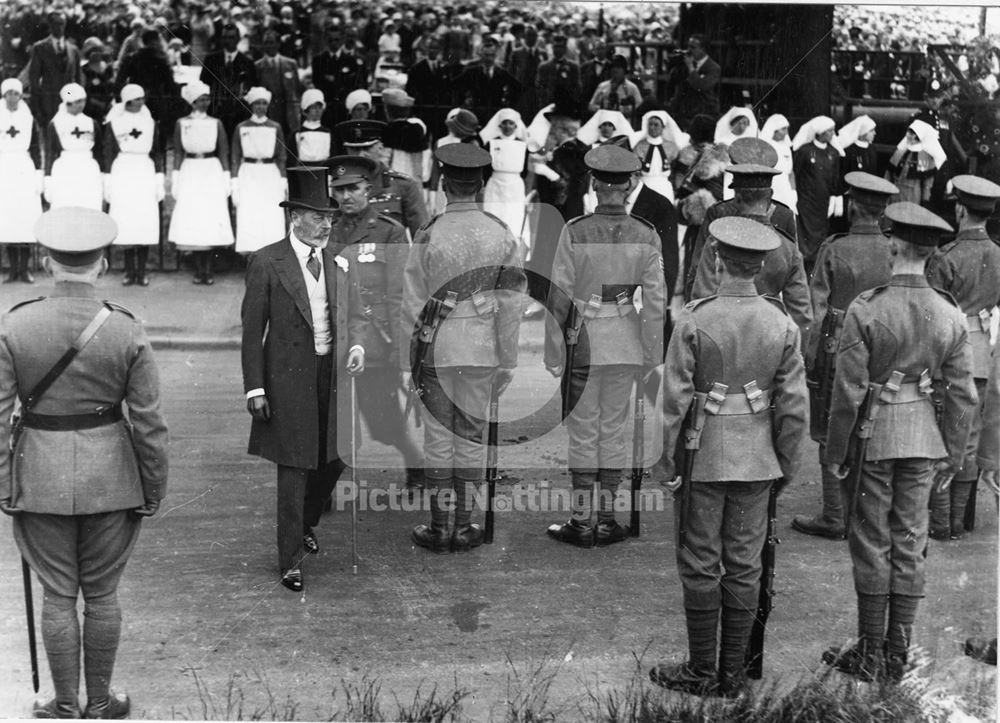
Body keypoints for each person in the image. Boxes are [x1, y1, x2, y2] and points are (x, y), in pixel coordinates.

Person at [0, 206, 168, 719]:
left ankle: (64, 704)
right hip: (113, 480)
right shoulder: (126, 329)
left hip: (40, 478)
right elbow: (150, 423)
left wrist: (4, 484)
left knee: (57, 595)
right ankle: (100, 701)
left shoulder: (16, 325)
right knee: (102, 595)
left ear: (48, 262)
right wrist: (153, 487)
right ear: (101, 264)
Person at [650, 216, 808, 698]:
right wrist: (786, 465)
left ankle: (702, 670)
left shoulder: (695, 319)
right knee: (744, 563)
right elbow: (795, 408)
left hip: (704, 455)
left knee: (700, 560)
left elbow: (673, 400)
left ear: (717, 259)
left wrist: (665, 462)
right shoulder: (781, 323)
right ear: (760, 267)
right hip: (759, 458)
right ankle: (734, 673)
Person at [821, 202, 977, 683]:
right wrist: (953, 453)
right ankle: (898, 653)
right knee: (912, 541)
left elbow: (846, 393)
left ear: (893, 246)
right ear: (931, 255)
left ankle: (870, 652)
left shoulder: (867, 308)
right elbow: (962, 395)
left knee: (871, 540)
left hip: (875, 435)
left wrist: (836, 453)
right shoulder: (949, 313)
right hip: (925, 439)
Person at [241, 165, 366, 592]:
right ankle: (290, 558)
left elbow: (353, 318)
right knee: (294, 466)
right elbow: (251, 330)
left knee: (336, 455)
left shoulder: (338, 262)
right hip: (287, 378)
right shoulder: (266, 261)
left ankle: (306, 522)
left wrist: (356, 347)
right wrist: (255, 386)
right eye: (318, 216)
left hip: (331, 374)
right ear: (294, 216)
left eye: (330, 216)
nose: (327, 223)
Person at [399, 143, 525, 553]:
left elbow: (412, 302)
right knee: (471, 438)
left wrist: (411, 359)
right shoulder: (500, 232)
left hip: (437, 349)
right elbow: (511, 302)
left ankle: (438, 528)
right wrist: (507, 358)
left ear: (442, 182)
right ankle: (464, 526)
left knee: (438, 436)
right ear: (483, 183)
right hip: (482, 350)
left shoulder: (429, 232)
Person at [544, 145, 666, 547]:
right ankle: (608, 519)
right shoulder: (646, 234)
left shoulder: (575, 230)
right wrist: (651, 354)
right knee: (613, 430)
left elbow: (559, 294)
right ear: (630, 185)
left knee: (582, 430)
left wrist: (552, 346)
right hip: (626, 344)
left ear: (595, 184)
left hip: (583, 343)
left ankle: (581, 521)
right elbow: (655, 302)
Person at [791, 172, 899, 540]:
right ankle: (868, 512)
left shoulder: (833, 248)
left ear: (852, 206)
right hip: (886, 346)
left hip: (836, 345)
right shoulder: (893, 250)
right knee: (875, 419)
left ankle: (835, 515)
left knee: (828, 425)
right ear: (883, 212)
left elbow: (816, 307)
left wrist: (810, 353)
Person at [327, 155, 423, 489]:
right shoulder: (326, 228)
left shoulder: (389, 232)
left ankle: (415, 460)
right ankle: (326, 485)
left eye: (353, 188)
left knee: (383, 418)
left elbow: (400, 296)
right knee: (335, 422)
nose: (345, 197)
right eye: (338, 190)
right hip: (334, 337)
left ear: (369, 188)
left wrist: (402, 353)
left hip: (375, 340)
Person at [924, 175, 1000, 540]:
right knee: (968, 438)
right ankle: (956, 521)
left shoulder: (947, 257)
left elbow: (934, 314)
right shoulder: (999, 255)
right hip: (984, 352)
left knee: (943, 435)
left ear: (959, 209)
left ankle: (941, 523)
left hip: (951, 352)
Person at [688, 156, 812, 342]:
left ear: (737, 199)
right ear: (770, 197)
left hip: (721, 340)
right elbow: (801, 315)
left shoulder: (717, 241)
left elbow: (700, 299)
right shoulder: (788, 248)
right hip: (770, 341)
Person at [168, 80, 233, 285]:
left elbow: (223, 151)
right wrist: (176, 178)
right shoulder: (182, 123)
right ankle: (198, 269)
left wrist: (225, 177)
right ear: (192, 101)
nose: (204, 103)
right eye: (199, 100)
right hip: (191, 170)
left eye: (206, 99)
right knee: (194, 217)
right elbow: (178, 151)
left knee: (209, 217)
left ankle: (209, 269)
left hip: (210, 171)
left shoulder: (216, 123)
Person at [103, 84, 163, 287]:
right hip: (124, 169)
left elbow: (157, 151)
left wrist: (159, 181)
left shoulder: (150, 122)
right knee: (127, 220)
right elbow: (108, 152)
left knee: (143, 220)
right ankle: (129, 270)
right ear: (127, 101)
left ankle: (142, 270)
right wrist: (108, 182)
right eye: (137, 99)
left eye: (142, 99)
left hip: (144, 169)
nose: (141, 102)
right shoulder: (115, 123)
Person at [336, 119, 428, 238]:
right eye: (354, 150)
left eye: (367, 149)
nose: (360, 155)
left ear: (380, 148)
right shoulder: (337, 188)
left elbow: (422, 237)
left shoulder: (403, 185)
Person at [231, 87, 288, 255]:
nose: (260, 107)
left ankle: (272, 253)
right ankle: (250, 253)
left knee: (270, 213)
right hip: (248, 173)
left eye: (264, 103)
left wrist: (283, 179)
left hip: (270, 173)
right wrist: (234, 182)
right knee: (250, 212)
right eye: (257, 103)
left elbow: (282, 155)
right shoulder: (241, 127)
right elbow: (235, 155)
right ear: (251, 105)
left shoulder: (275, 127)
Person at [0, 78, 43, 284]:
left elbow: (35, 147)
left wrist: (38, 173)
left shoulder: (28, 118)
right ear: (3, 95)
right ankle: (12, 269)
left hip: (23, 168)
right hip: (4, 168)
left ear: (20, 95)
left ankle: (25, 269)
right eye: (8, 93)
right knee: (8, 220)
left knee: (24, 219)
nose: (12, 97)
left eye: (16, 93)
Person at [793, 115, 843, 274]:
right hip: (806, 202)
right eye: (829, 131)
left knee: (820, 235)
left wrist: (834, 199)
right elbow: (797, 174)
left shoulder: (833, 153)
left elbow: (835, 178)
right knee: (805, 234)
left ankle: (816, 268)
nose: (832, 134)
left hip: (823, 202)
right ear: (820, 132)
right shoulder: (805, 151)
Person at [44, 83, 103, 211]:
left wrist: (104, 175)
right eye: (77, 101)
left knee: (87, 204)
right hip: (65, 168)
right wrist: (47, 179)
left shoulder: (92, 123)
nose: (81, 104)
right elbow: (50, 152)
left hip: (88, 168)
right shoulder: (56, 124)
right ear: (68, 103)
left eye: (83, 101)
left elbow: (99, 151)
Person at [480, 108, 530, 253]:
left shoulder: (523, 145)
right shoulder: (491, 144)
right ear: (499, 125)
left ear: (516, 126)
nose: (508, 126)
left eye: (511, 123)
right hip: (495, 184)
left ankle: (512, 253)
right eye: (505, 123)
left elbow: (525, 170)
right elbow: (486, 168)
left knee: (513, 216)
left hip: (514, 185)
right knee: (493, 214)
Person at [199, 23, 257, 138]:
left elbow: (251, 89)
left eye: (231, 37)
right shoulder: (211, 59)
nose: (227, 41)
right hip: (215, 112)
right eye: (225, 37)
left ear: (238, 39)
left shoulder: (247, 62)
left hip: (238, 114)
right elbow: (203, 85)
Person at [26, 12, 82, 126]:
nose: (60, 27)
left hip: (69, 103)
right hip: (48, 104)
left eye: (62, 24)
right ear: (50, 25)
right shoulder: (40, 48)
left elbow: (78, 79)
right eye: (56, 24)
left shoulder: (73, 50)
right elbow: (34, 78)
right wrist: (36, 107)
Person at [311, 24, 368, 129]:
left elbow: (352, 84)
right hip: (326, 106)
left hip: (344, 107)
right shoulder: (318, 60)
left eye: (336, 40)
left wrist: (334, 80)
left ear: (342, 40)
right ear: (326, 40)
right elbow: (317, 82)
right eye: (330, 40)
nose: (334, 43)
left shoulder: (350, 60)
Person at [456, 37, 521, 120]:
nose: (489, 59)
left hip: (495, 113)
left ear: (496, 55)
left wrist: (508, 103)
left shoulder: (502, 72)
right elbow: (456, 86)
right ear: (481, 55)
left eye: (492, 55)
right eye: (486, 55)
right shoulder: (471, 71)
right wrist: (464, 102)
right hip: (475, 112)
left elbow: (517, 87)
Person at [886, 119, 947, 206]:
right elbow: (888, 174)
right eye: (908, 132)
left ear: (919, 136)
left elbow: (927, 184)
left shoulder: (926, 157)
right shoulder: (900, 151)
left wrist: (925, 201)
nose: (908, 135)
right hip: (895, 194)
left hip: (912, 197)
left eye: (912, 134)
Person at [631, 109, 687, 202]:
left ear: (663, 127)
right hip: (644, 184)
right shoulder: (639, 146)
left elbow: (676, 170)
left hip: (664, 186)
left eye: (656, 125)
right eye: (650, 124)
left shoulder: (671, 147)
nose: (652, 127)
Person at [254, 30, 301, 138]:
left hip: (288, 112)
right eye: (266, 43)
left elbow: (297, 88)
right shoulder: (258, 66)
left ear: (278, 44)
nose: (269, 46)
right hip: (268, 113)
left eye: (271, 42)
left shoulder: (290, 64)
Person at [667, 34, 720, 126]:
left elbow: (701, 86)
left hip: (704, 111)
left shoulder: (713, 68)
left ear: (703, 49)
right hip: (684, 110)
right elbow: (673, 81)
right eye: (688, 46)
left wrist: (690, 67)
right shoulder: (685, 63)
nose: (689, 50)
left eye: (693, 47)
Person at [381, 88, 428, 185]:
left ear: (387, 110)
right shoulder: (417, 129)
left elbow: (383, 161)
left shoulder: (388, 130)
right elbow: (425, 161)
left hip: (394, 183)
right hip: (414, 183)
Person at [759, 113, 797, 210]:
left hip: (785, 189)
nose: (786, 132)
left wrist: (793, 191)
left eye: (787, 129)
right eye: (783, 129)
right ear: (774, 130)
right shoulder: (764, 146)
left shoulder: (786, 147)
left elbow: (790, 172)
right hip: (770, 188)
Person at [535, 34, 580, 112]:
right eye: (555, 47)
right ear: (552, 48)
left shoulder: (573, 66)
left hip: (567, 106)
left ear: (565, 49)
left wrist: (572, 102)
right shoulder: (544, 66)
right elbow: (539, 85)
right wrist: (545, 99)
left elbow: (577, 87)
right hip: (548, 105)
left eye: (560, 47)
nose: (557, 49)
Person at [587, 54, 642, 119]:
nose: (615, 70)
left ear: (624, 70)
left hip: (624, 124)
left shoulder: (632, 88)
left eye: (618, 67)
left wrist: (621, 109)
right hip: (605, 122)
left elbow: (639, 107)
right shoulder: (602, 86)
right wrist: (603, 108)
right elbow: (591, 106)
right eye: (613, 67)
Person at [508, 25, 545, 119]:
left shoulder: (542, 53)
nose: (531, 38)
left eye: (534, 36)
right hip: (522, 89)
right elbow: (511, 72)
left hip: (537, 91)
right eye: (529, 35)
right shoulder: (517, 53)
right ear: (524, 37)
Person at [291, 89, 332, 164]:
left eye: (320, 107)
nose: (317, 111)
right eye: (313, 108)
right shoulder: (297, 133)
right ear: (305, 111)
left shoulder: (327, 133)